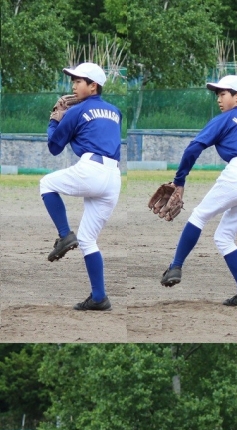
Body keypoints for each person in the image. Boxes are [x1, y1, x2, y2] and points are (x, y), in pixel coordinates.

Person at [159, 75, 237, 307]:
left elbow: (194, 147)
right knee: (224, 238)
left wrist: (179, 180)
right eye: (218, 95)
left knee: (199, 216)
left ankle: (175, 267)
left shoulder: (227, 117)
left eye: (223, 94)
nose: (219, 99)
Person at [40, 62, 122, 310]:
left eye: (78, 81)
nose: (73, 86)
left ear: (93, 85)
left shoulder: (76, 111)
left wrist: (54, 121)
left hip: (91, 170)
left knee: (46, 183)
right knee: (87, 240)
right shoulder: (115, 111)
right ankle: (99, 298)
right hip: (113, 178)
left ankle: (65, 235)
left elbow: (54, 147)